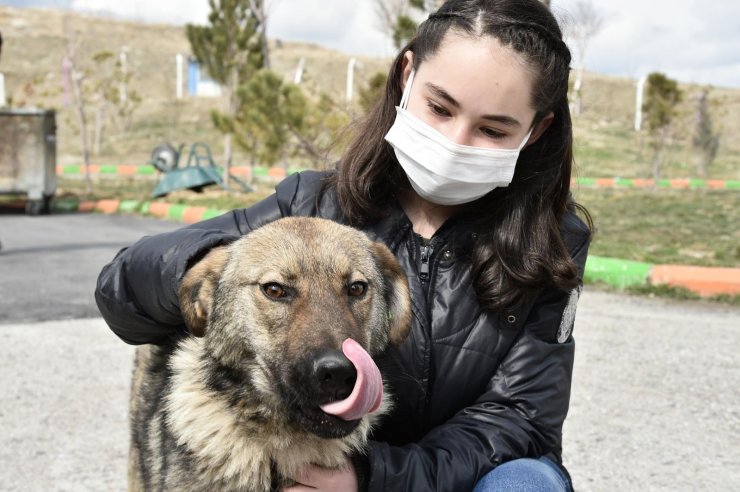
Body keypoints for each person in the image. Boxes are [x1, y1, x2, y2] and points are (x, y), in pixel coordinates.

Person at [95, 0, 591, 490]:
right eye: (439, 107)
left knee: (528, 482)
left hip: (435, 475)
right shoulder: (310, 206)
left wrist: (368, 478)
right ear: (407, 74)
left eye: (492, 129)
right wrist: (212, 273)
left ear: (535, 131)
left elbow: (521, 417)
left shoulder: (551, 247)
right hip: (322, 458)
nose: (455, 141)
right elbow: (122, 287)